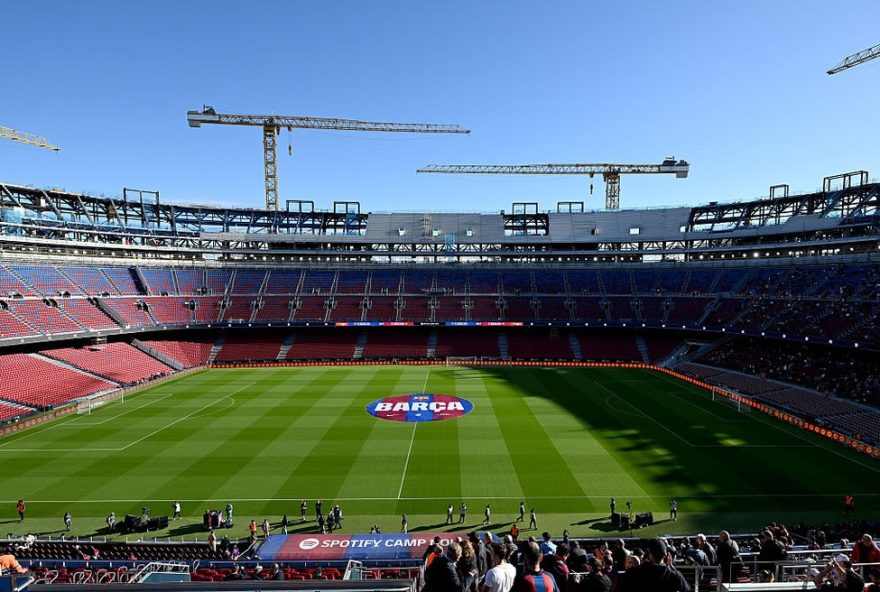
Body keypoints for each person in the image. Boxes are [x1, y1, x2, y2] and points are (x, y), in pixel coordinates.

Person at [616, 537, 691, 592]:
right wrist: (672, 568)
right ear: (665, 555)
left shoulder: (632, 573)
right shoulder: (674, 575)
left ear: (649, 553)